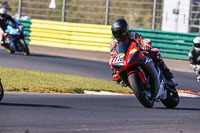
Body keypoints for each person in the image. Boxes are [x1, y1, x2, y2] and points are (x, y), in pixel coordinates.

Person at [109, 18, 175, 86]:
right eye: (116, 33)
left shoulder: (132, 35)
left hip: (138, 55)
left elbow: (142, 40)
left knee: (155, 53)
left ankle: (167, 76)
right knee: (117, 75)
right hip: (126, 60)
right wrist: (115, 71)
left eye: (120, 33)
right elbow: (113, 57)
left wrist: (146, 45)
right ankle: (129, 82)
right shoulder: (114, 43)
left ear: (124, 30)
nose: (119, 35)